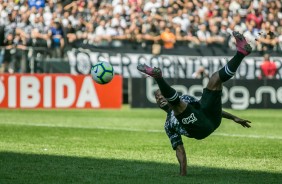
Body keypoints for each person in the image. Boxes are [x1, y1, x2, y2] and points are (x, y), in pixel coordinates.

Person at [137, 31, 252, 176]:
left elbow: (204, 107)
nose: (160, 99)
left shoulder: (185, 99)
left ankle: (241, 53)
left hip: (211, 118)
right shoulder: (169, 126)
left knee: (215, 79)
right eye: (157, 98)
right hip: (200, 129)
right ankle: (158, 78)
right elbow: (180, 149)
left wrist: (234, 117)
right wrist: (183, 174)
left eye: (161, 96)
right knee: (178, 106)